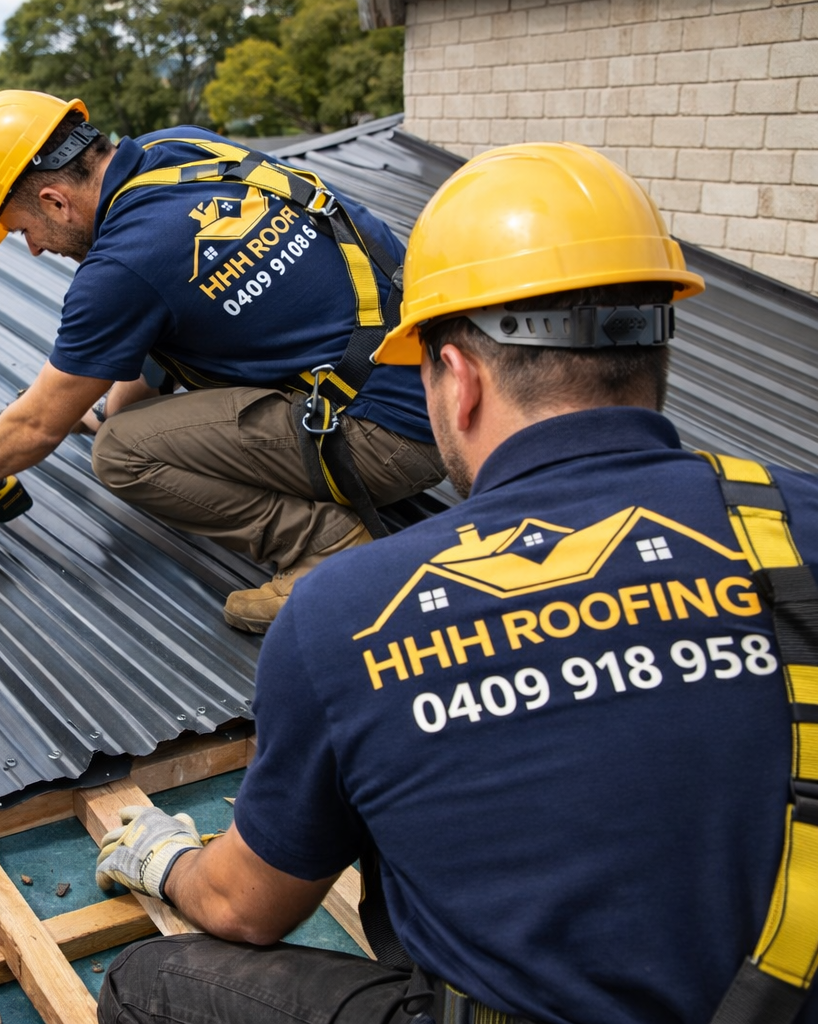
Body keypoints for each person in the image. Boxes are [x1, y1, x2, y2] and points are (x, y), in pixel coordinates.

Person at [90, 142, 818, 1023]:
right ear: (655, 345)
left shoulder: (348, 611)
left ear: (458, 378)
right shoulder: (792, 520)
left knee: (150, 985)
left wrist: (167, 859)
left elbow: (246, 908)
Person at [0, 90, 444, 634]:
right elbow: (169, 324)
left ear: (53, 201)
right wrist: (97, 413)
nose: (34, 249)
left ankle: (322, 546)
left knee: (120, 454)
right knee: (117, 426)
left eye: (24, 230)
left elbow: (38, 423)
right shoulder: (185, 148)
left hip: (394, 442)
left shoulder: (120, 268)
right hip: (448, 387)